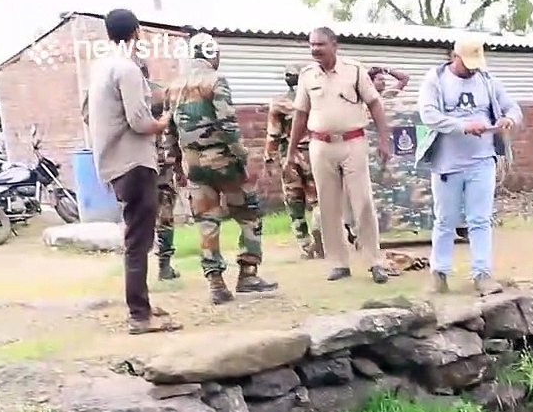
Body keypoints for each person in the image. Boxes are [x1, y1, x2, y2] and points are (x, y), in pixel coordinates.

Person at [164, 34, 278, 304]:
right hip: (223, 162)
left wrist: (176, 162)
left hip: (193, 164)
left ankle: (216, 283)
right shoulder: (216, 80)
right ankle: (248, 274)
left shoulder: (173, 86)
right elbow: (227, 123)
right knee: (248, 213)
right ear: (212, 54)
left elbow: (169, 130)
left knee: (206, 221)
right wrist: (242, 156)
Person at [85, 9, 179, 334]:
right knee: (139, 240)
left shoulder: (100, 67)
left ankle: (143, 304)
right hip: (134, 163)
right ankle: (139, 314)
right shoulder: (126, 68)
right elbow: (140, 122)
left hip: (114, 163)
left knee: (136, 236)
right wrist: (163, 122)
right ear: (137, 31)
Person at [416, 37, 522, 295]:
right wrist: (464, 126)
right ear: (455, 56)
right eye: (468, 63)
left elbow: (513, 107)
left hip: (482, 161)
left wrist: (508, 118)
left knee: (480, 219)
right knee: (445, 219)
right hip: (447, 164)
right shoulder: (436, 80)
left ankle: (482, 274)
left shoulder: (487, 80)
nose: (473, 68)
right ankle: (439, 273)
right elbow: (428, 115)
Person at [286, 27, 392, 284]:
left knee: (362, 202)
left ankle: (374, 261)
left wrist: (384, 139)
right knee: (328, 205)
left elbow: (375, 104)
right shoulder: (307, 75)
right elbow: (300, 114)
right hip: (320, 145)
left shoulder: (354, 70)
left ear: (334, 45)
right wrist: (290, 152)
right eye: (311, 45)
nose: (315, 49)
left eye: (320, 44)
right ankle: (338, 262)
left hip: (353, 142)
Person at [266, 63, 323, 259]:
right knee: (318, 199)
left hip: (288, 157)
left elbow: (273, 135)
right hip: (314, 153)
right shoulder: (315, 101)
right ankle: (319, 230)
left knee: (294, 203)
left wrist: (269, 158)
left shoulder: (278, 103)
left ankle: (306, 246)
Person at [145, 64, 180, 280]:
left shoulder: (118, 94)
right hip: (160, 160)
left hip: (134, 162)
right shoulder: (161, 93)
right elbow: (173, 126)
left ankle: (137, 268)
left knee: (135, 216)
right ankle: (164, 266)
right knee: (165, 213)